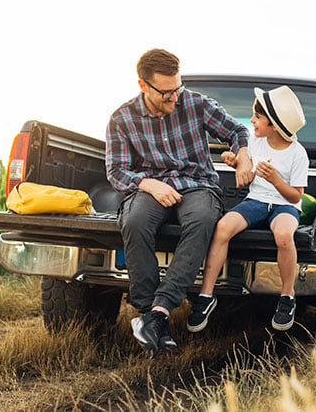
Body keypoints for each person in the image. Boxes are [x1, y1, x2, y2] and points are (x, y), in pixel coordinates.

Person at [105, 48, 252, 355]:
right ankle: (150, 316)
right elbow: (116, 171)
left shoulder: (196, 103)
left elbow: (237, 130)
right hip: (150, 186)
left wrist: (243, 154)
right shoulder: (122, 118)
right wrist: (148, 184)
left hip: (197, 184)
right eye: (166, 92)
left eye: (178, 88)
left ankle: (158, 312)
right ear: (143, 86)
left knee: (202, 220)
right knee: (134, 221)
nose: (175, 97)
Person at [187, 85, 308, 333]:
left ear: (273, 124)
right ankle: (207, 295)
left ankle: (287, 296)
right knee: (223, 227)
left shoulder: (298, 154)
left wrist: (276, 180)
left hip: (285, 206)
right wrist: (235, 164)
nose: (251, 120)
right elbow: (250, 176)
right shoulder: (255, 142)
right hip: (256, 201)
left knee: (284, 236)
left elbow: (296, 195)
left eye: (257, 116)